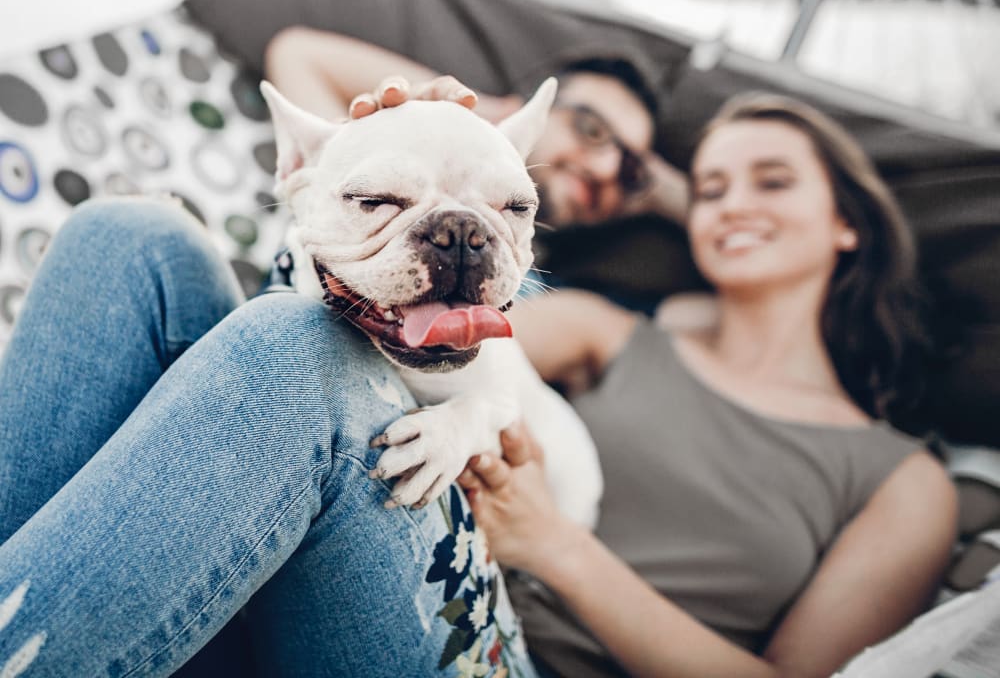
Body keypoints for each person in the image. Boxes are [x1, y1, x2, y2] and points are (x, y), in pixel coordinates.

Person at [0, 85, 955, 678]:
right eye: (708, 188)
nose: (734, 203)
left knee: (296, 345)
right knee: (131, 235)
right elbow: (401, 293)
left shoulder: (904, 479)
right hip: (341, 572)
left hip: (506, 649)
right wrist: (437, 138)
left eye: (773, 182)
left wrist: (556, 549)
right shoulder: (617, 335)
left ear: (851, 222)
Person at [263, 26, 692, 230]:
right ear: (523, 107)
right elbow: (298, 52)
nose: (605, 169)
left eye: (630, 168)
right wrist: (475, 116)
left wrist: (666, 191)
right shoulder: (353, 183)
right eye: (591, 129)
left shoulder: (562, 299)